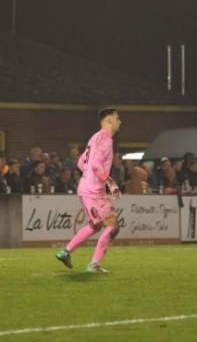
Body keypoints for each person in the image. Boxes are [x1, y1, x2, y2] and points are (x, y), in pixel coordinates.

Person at [56, 108, 122, 273]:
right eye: (117, 118)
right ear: (109, 121)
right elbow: (95, 165)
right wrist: (111, 183)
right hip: (93, 190)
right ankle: (94, 265)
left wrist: (90, 176)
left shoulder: (94, 137)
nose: (120, 121)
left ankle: (66, 252)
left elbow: (81, 162)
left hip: (85, 187)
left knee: (96, 225)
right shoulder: (106, 140)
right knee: (113, 226)